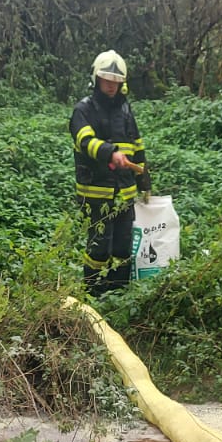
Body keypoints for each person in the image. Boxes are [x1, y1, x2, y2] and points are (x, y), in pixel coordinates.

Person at [69, 50, 151, 296]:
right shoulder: (83, 109)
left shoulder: (125, 110)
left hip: (124, 193)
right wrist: (109, 152)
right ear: (96, 79)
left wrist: (144, 180)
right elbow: (84, 140)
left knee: (123, 247)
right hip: (96, 192)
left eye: (116, 81)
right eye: (107, 80)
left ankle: (118, 294)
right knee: (99, 248)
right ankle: (93, 294)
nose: (112, 86)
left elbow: (137, 146)